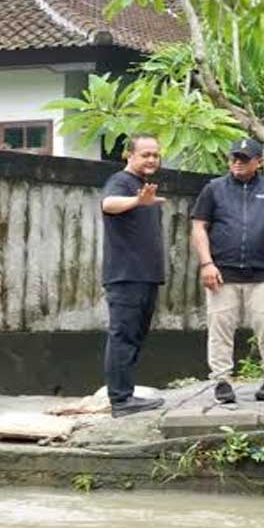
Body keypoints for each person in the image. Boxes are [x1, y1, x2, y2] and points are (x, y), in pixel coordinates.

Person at [190, 138, 264, 403]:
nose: (237, 162)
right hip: (222, 273)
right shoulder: (214, 189)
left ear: (258, 162)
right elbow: (199, 226)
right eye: (234, 157)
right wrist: (206, 263)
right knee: (220, 326)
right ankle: (222, 381)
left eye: (244, 158)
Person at [100, 134, 167, 418]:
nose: (151, 159)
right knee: (123, 336)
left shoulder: (143, 187)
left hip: (146, 275)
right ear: (130, 156)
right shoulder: (121, 181)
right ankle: (120, 400)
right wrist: (137, 202)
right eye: (145, 154)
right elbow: (108, 204)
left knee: (135, 337)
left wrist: (142, 200)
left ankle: (126, 394)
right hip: (126, 275)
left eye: (155, 154)